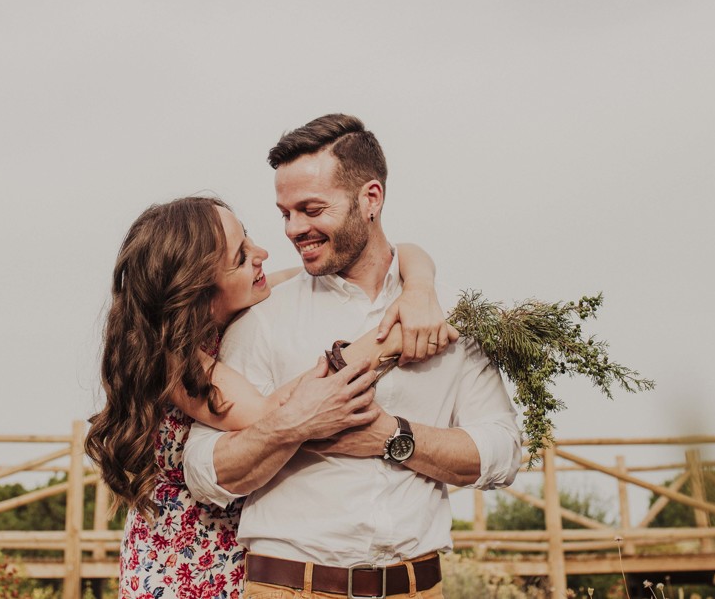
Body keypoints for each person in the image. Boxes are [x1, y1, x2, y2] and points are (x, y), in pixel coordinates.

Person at [183, 115, 523, 599]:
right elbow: (203, 471)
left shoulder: (448, 316)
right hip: (287, 588)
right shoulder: (262, 316)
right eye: (285, 213)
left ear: (370, 199)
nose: (293, 229)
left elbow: (503, 451)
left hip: (417, 589)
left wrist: (394, 437)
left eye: (311, 209)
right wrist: (295, 427)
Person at [84, 195, 456, 599]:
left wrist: (418, 288)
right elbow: (282, 413)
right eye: (240, 257)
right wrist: (391, 337)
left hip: (240, 556)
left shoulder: (238, 306)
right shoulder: (174, 363)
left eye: (248, 238)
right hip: (186, 567)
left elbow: (398, 256)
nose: (261, 253)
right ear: (198, 288)